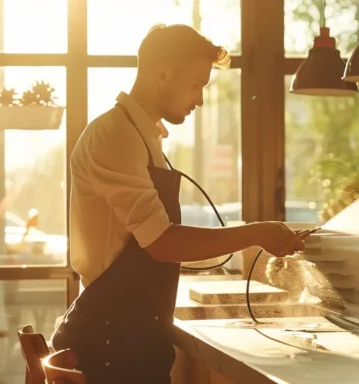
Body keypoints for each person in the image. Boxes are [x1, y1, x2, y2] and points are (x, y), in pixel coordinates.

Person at [51, 24, 306, 383]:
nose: (200, 99)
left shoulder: (144, 138)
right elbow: (162, 242)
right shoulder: (115, 136)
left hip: (132, 338)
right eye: (196, 84)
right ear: (163, 72)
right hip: (107, 348)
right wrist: (257, 233)